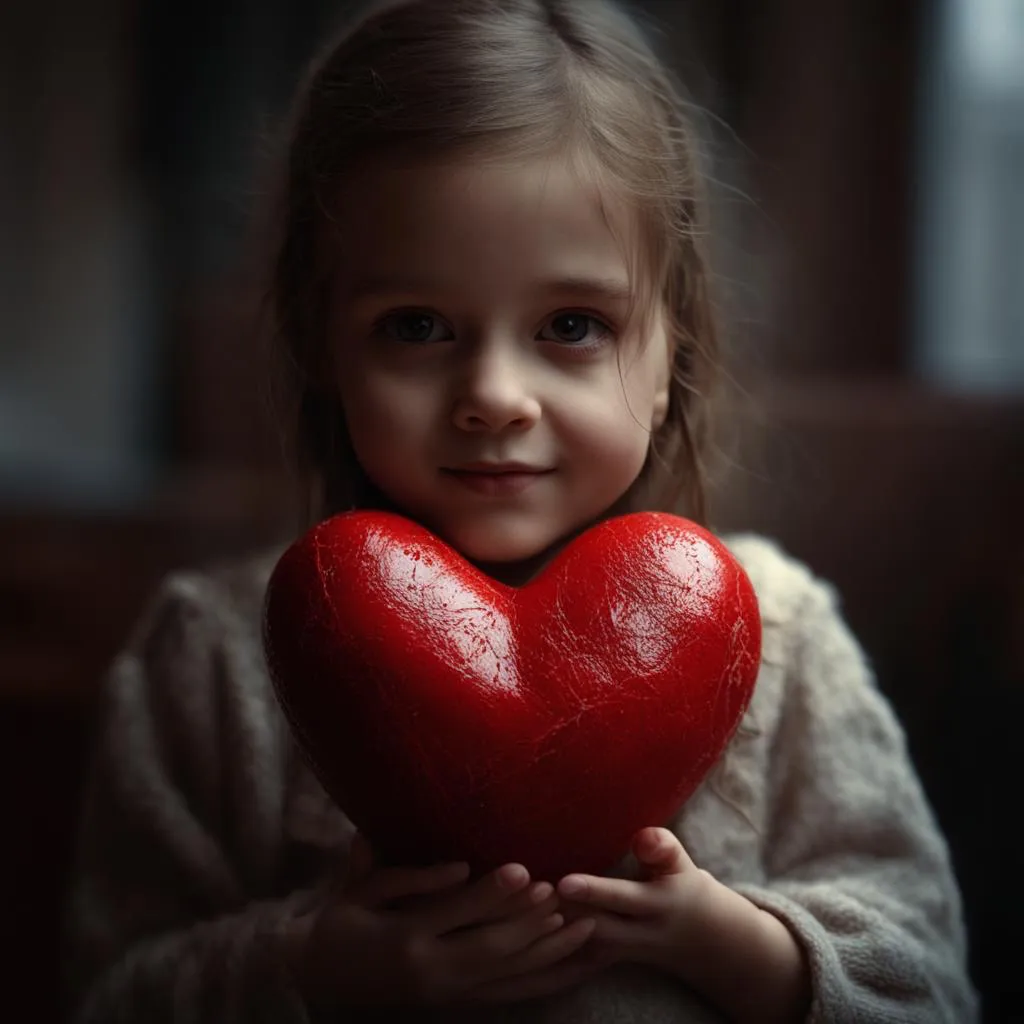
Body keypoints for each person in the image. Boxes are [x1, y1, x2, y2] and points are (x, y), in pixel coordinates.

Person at [63, 0, 978, 1021]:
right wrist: (313, 969)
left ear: (669, 356)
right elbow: (109, 991)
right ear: (323, 346)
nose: (495, 393)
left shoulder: (785, 639)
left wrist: (748, 950)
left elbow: (931, 987)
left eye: (571, 325)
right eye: (416, 326)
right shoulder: (210, 661)